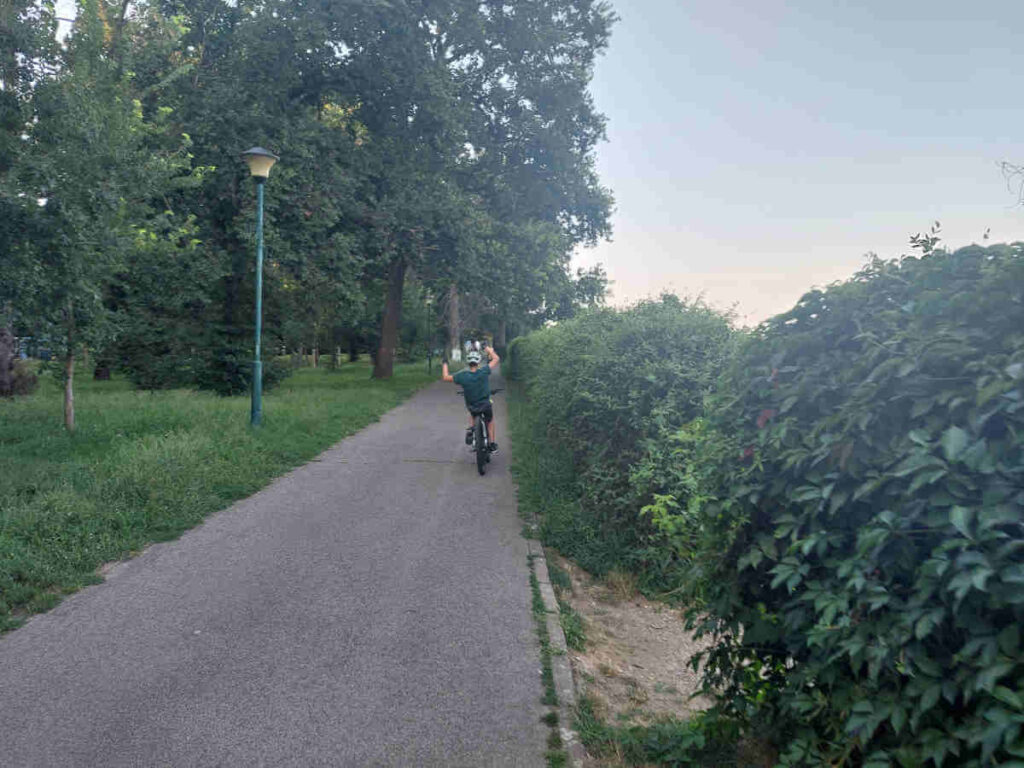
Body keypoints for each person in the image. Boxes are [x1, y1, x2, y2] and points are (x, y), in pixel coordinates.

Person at [442, 345, 499, 453]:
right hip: (485, 405)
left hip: (472, 406)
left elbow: (445, 377)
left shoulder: (462, 376)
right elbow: (496, 359)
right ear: (478, 362)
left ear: (468, 363)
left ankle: (472, 430)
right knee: (490, 421)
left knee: (473, 413)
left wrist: (445, 363)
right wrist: (490, 351)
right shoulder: (484, 371)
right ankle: (491, 443)